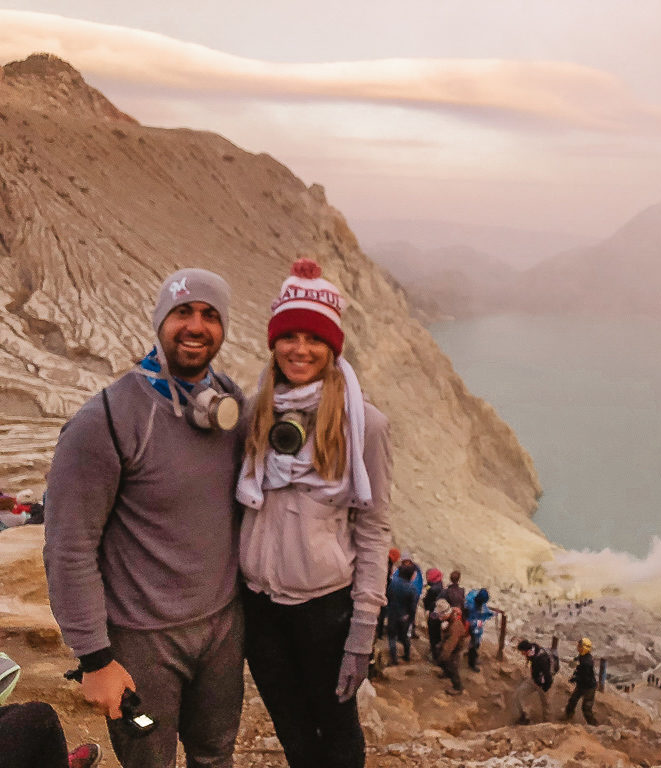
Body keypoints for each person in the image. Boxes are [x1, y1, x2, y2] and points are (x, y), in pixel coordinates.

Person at [44, 268, 245, 768]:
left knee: (216, 755)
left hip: (222, 632)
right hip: (140, 644)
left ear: (223, 329)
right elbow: (69, 546)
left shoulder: (229, 406)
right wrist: (94, 658)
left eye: (210, 315)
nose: (196, 326)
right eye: (182, 312)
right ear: (159, 321)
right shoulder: (105, 420)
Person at [236, 258, 392, 768]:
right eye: (289, 336)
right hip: (258, 607)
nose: (299, 349)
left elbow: (373, 530)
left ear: (332, 348)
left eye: (314, 339)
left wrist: (362, 634)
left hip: (325, 609)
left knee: (339, 736)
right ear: (273, 342)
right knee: (292, 731)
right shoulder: (254, 409)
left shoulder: (364, 424)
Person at [385, 561, 419, 664]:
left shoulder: (393, 583)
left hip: (392, 613)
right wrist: (411, 619)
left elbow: (388, 596)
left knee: (391, 637)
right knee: (404, 637)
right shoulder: (412, 589)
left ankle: (394, 659)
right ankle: (407, 655)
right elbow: (413, 607)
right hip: (404, 616)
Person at [515, 640, 555, 724]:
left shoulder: (542, 658)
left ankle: (547, 726)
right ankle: (525, 716)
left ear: (526, 650)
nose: (522, 654)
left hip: (543, 683)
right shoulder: (532, 650)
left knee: (546, 705)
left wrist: (545, 687)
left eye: (522, 652)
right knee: (519, 693)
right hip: (534, 679)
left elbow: (548, 675)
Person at [434, 599, 467, 696]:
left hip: (456, 647)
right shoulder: (450, 618)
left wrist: (442, 658)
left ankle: (457, 687)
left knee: (452, 666)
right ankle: (446, 672)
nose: (439, 618)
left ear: (446, 614)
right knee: (441, 653)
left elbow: (450, 646)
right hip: (450, 642)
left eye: (440, 615)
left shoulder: (454, 627)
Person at [564, 637, 598, 725]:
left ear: (584, 648)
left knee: (586, 708)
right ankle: (567, 717)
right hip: (581, 685)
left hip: (589, 687)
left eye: (580, 646)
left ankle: (594, 726)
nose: (578, 647)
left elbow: (585, 677)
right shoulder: (582, 656)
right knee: (572, 701)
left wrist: (575, 678)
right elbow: (577, 665)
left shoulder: (587, 662)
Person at [464, 588, 494, 672]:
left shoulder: (472, 595)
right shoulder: (476, 607)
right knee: (475, 642)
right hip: (474, 625)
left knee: (475, 641)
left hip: (469, 621)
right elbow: (482, 615)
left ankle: (473, 654)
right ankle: (472, 663)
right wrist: (491, 614)